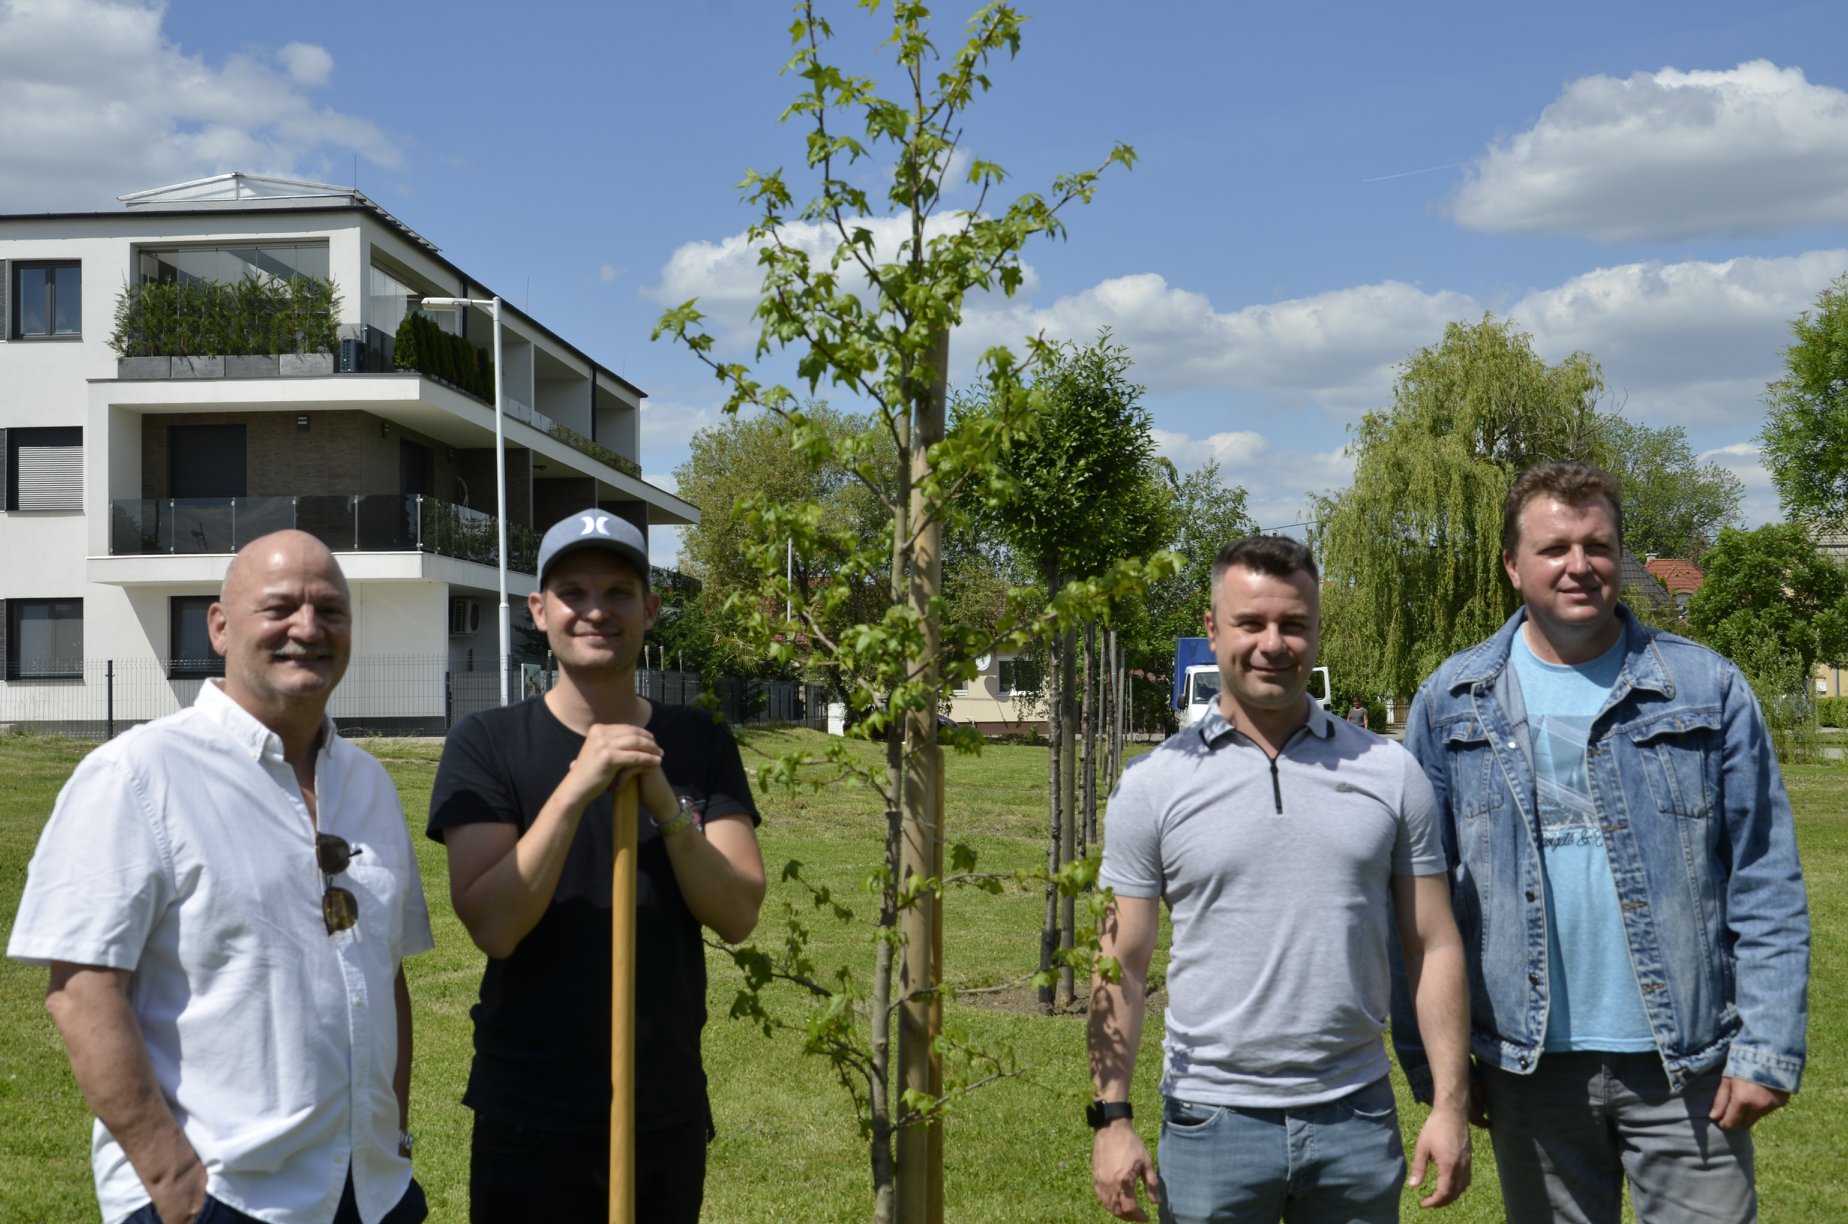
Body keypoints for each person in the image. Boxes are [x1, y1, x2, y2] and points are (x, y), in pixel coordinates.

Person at [1395, 461, 1810, 1223]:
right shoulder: (1451, 702)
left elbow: (1764, 875)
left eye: (1598, 545)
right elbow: (1416, 906)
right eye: (1555, 548)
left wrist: (1768, 1045)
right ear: (1513, 566)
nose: (1579, 565)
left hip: (1686, 1062)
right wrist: (1439, 1072)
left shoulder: (1705, 689)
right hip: (1528, 1066)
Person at [9, 531, 432, 1224]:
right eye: (280, 608)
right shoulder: (138, 776)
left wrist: (395, 1136)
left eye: (330, 609)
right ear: (220, 625)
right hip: (224, 1199)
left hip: (374, 1193)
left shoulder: (370, 783)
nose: (308, 628)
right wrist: (174, 1184)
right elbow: (82, 993)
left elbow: (385, 976)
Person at [1088, 534, 1471, 1224]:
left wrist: (1449, 1105)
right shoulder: (1155, 784)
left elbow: (1433, 943)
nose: (1274, 643)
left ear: (1318, 629)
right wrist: (1112, 1117)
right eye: (1251, 623)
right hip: (1211, 1122)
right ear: (1212, 630)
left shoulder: (1389, 773)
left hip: (1356, 1117)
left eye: (1294, 624)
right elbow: (1122, 959)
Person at [428, 509, 767, 1223]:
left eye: (617, 593)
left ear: (649, 609)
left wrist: (667, 809)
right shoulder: (485, 744)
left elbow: (737, 913)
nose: (595, 610)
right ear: (539, 609)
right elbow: (493, 925)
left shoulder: (697, 740)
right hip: (530, 1112)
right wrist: (578, 786)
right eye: (574, 591)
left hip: (662, 1104)